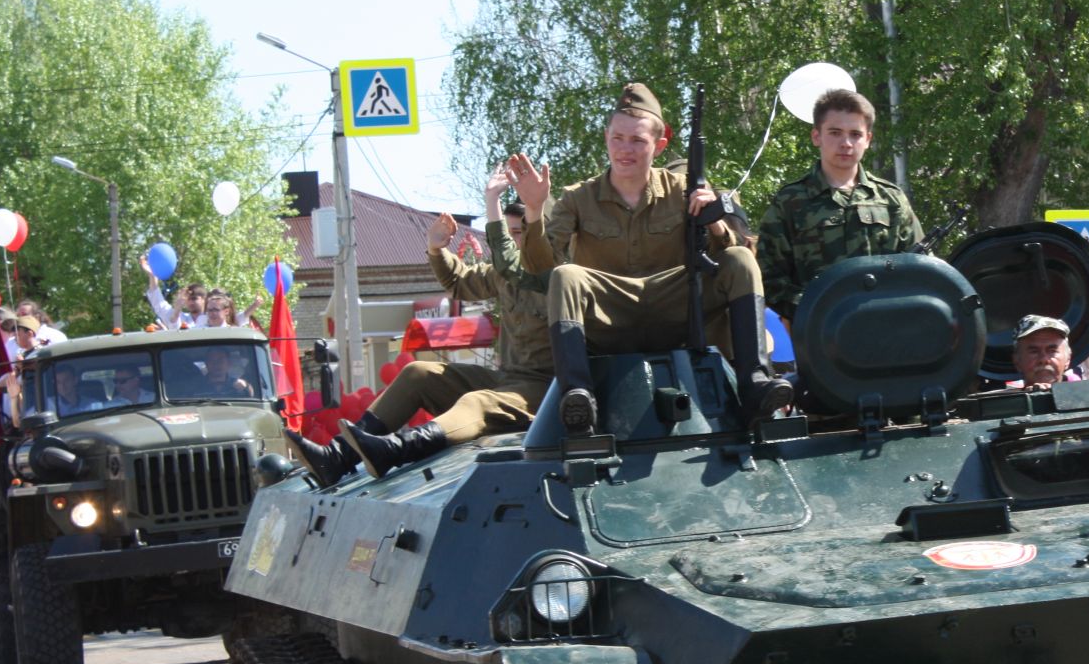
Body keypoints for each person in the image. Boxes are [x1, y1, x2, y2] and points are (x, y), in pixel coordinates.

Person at [508, 83, 790, 433]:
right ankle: (578, 395)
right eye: (617, 138)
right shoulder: (578, 198)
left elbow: (730, 259)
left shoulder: (682, 190)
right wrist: (534, 210)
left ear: (659, 146)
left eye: (638, 141)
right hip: (609, 315)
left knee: (740, 259)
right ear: (606, 138)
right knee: (567, 276)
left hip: (676, 307)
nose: (625, 150)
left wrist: (714, 221)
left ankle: (756, 381)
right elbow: (540, 268)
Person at [302, 173, 555, 483]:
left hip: (547, 390)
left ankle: (397, 450)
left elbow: (520, 266)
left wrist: (493, 206)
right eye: (510, 233)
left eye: (521, 233)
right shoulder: (504, 274)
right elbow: (460, 282)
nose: (514, 241)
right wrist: (436, 249)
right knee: (418, 373)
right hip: (510, 381)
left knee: (478, 402)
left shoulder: (554, 272)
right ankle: (337, 457)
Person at [755, 88, 923, 323]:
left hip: (889, 331)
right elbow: (769, 278)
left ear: (868, 140)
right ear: (817, 136)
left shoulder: (891, 200)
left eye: (855, 134)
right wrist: (818, 308)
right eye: (835, 132)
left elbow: (921, 268)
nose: (845, 143)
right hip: (821, 338)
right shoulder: (791, 201)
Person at [1013, 315, 1073, 389]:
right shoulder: (1003, 400)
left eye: (1052, 351)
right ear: (1017, 361)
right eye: (1034, 351)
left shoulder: (1087, 397)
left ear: (1068, 359)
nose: (1043, 359)